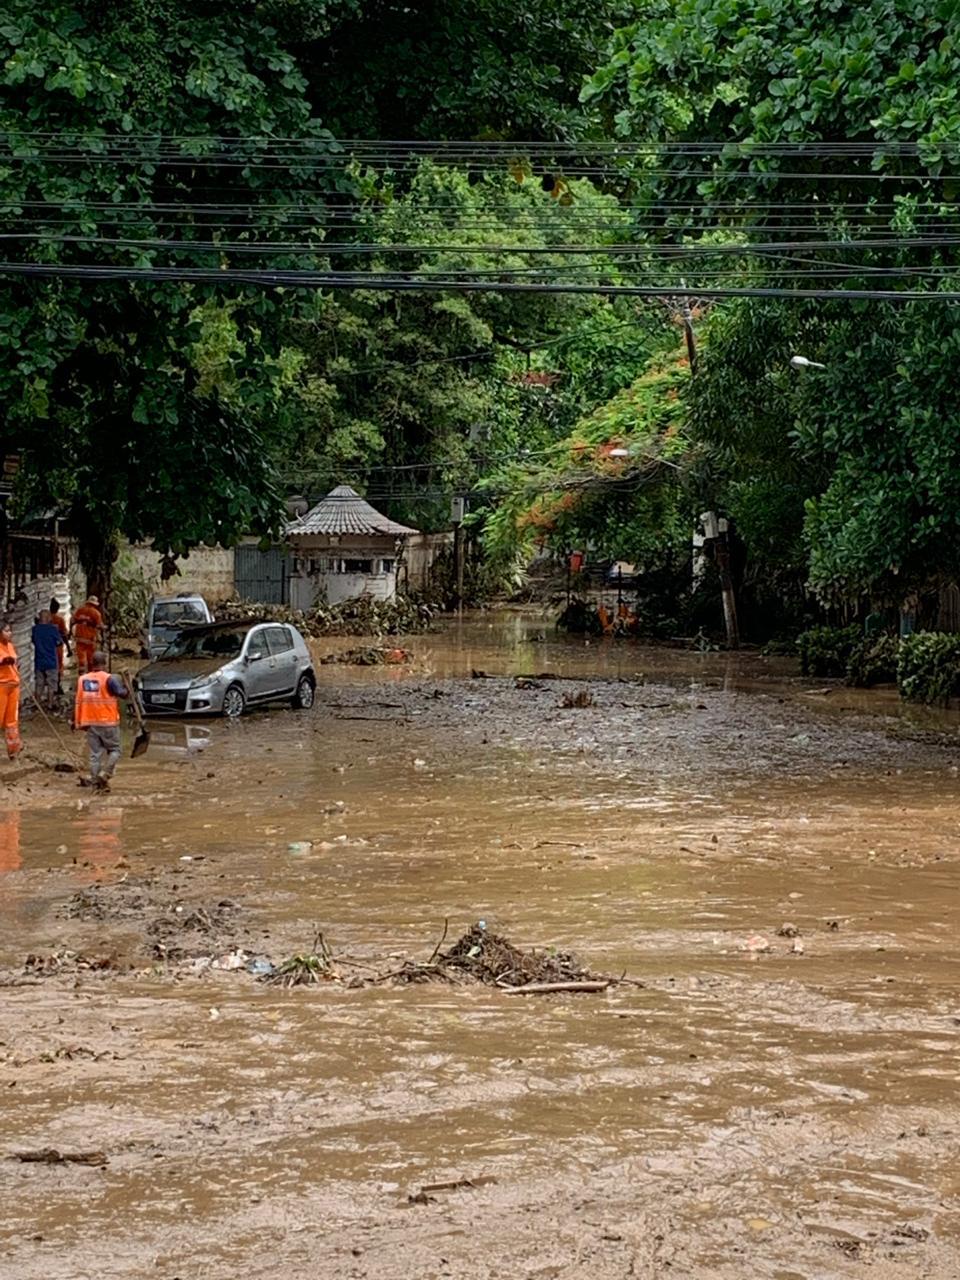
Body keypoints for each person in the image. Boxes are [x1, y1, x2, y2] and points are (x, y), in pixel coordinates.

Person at [73, 650, 128, 792]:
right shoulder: (109, 679)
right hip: (108, 721)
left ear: (92, 663)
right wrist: (127, 687)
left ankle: (96, 781)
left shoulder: (82, 679)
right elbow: (122, 694)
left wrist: (77, 721)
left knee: (95, 754)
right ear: (104, 663)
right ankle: (106, 774)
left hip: (90, 722)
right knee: (115, 750)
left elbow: (78, 701)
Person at [0, 619, 23, 760]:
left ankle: (13, 749)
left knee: (12, 720)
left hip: (14, 685)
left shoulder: (10, 646)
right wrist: (3, 662)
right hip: (1, 686)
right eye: (6, 630)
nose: (10, 633)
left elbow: (15, 661)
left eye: (10, 630)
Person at [31, 609, 63, 708]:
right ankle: (50, 703)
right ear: (48, 618)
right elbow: (59, 642)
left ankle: (37, 703)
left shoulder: (35, 629)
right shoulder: (52, 629)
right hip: (51, 660)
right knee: (51, 683)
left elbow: (33, 640)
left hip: (39, 660)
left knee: (39, 683)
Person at [71, 595, 104, 675]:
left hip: (79, 638)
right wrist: (104, 627)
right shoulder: (96, 613)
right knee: (90, 660)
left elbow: (72, 621)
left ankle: (81, 676)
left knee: (81, 660)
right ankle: (90, 675)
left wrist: (70, 634)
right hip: (90, 639)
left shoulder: (80, 610)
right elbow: (99, 625)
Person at [49, 599, 71, 692]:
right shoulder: (59, 620)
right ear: (57, 609)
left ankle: (50, 684)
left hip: (47, 646)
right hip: (57, 646)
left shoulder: (45, 620)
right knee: (58, 665)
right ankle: (57, 686)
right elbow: (64, 635)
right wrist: (69, 648)